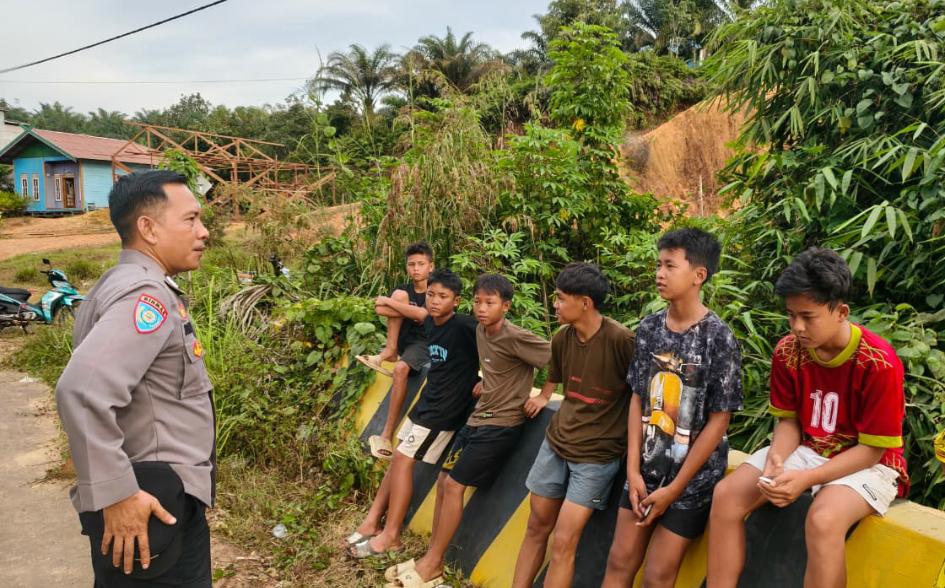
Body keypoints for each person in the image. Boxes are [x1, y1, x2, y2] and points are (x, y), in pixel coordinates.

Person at [707, 247, 908, 588]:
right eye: (790, 315)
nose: (797, 327)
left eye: (808, 316)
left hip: (869, 461)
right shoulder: (788, 351)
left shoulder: (878, 361)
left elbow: (873, 450)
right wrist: (778, 458)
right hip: (809, 448)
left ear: (841, 311)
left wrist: (806, 478)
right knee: (727, 495)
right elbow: (789, 423)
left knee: (824, 519)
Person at [56, 170, 215, 587]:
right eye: (191, 219)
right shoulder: (145, 298)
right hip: (150, 507)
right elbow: (82, 391)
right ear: (148, 227)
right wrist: (118, 493)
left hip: (151, 500)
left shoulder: (116, 283)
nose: (204, 231)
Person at [384, 274, 551, 587]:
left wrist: (543, 395)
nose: (482, 308)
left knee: (456, 485)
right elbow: (491, 363)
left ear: (506, 306)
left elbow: (556, 359)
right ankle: (431, 557)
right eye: (478, 302)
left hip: (500, 425)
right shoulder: (482, 332)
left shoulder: (515, 335)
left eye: (489, 303)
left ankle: (433, 564)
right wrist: (485, 380)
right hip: (476, 420)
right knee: (445, 481)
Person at [602, 228, 743, 588]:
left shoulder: (719, 337)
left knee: (657, 577)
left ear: (699, 275)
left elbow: (719, 420)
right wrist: (632, 470)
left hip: (691, 482)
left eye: (670, 265)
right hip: (645, 470)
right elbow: (637, 398)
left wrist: (676, 488)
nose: (659, 274)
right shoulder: (649, 328)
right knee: (619, 562)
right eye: (658, 264)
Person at [512, 263, 636, 588]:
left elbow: (642, 398)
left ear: (585, 302)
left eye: (560, 298)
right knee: (537, 526)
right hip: (556, 444)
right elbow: (554, 377)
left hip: (596, 457)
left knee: (564, 542)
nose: (554, 304)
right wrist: (544, 396)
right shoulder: (562, 338)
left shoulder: (622, 340)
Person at [347, 268, 480, 558]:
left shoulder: (466, 327)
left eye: (443, 297)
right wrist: (391, 300)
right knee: (398, 459)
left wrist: (488, 379)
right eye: (430, 294)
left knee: (404, 461)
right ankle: (372, 522)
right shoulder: (430, 320)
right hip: (426, 405)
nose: (434, 301)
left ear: (457, 301)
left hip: (444, 412)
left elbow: (502, 343)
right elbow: (410, 312)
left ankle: (391, 536)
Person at [357, 242, 435, 460]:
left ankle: (386, 434)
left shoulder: (435, 290)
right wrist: (404, 307)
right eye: (412, 265)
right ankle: (389, 350)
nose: (416, 269)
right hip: (403, 338)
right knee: (400, 295)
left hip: (424, 342)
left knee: (400, 369)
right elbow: (379, 308)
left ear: (431, 266)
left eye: (421, 264)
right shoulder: (404, 290)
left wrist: (393, 304)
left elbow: (424, 316)